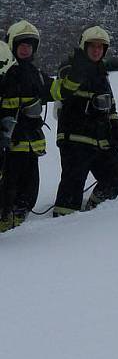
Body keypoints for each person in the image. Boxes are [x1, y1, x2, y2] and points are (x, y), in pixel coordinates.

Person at [52, 26, 118, 216]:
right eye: (93, 46)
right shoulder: (69, 67)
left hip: (98, 137)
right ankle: (60, 225)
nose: (96, 50)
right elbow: (66, 91)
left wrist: (116, 127)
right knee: (73, 184)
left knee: (116, 174)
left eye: (100, 47)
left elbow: (110, 105)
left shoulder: (101, 73)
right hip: (75, 138)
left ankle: (95, 213)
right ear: (83, 47)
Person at [0, 21, 61, 231]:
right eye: (21, 45)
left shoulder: (37, 74)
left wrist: (72, 77)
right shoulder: (4, 73)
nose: (25, 49)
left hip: (31, 146)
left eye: (29, 45)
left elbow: (56, 91)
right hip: (9, 147)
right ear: (12, 46)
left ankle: (17, 225)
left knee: (29, 192)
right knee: (6, 191)